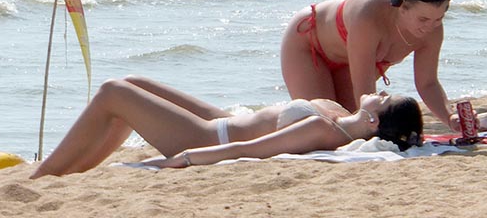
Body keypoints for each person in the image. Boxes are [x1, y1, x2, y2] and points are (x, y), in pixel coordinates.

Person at [30, 75, 423, 177]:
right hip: (222, 121)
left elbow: (246, 151)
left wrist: (180, 159)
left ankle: (46, 174)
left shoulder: (324, 130)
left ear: (374, 119)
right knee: (133, 84)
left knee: (113, 93)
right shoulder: (338, 115)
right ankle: (74, 168)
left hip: (207, 136)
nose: (378, 92)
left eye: (383, 98)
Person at [281, 0, 459, 130]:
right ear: (402, 7)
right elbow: (365, 93)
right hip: (309, 44)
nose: (430, 27)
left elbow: (427, 83)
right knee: (326, 125)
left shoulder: (433, 30)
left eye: (439, 19)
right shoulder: (368, 14)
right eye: (423, 19)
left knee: (347, 126)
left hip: (348, 63)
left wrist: (450, 117)